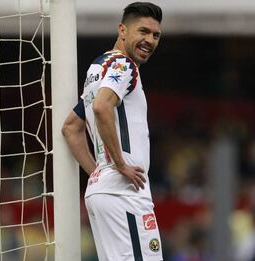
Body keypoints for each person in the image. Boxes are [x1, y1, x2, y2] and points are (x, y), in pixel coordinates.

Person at [61, 2, 163, 260]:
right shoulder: (124, 66)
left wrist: (98, 173)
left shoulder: (98, 69)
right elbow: (101, 107)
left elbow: (71, 128)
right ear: (122, 30)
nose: (149, 40)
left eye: (155, 35)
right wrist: (119, 164)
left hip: (102, 191)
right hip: (124, 192)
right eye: (143, 31)